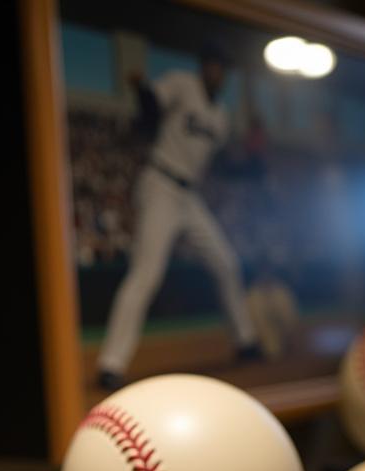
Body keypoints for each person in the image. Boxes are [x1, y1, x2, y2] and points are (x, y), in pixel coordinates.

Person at [96, 43, 262, 391]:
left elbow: (222, 165)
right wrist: (141, 89)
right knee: (147, 273)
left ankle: (246, 341)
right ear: (204, 66)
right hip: (160, 184)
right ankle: (111, 363)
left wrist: (251, 165)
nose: (217, 72)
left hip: (190, 196)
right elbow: (151, 108)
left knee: (226, 263)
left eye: (222, 67)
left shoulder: (222, 116)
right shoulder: (183, 83)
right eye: (213, 64)